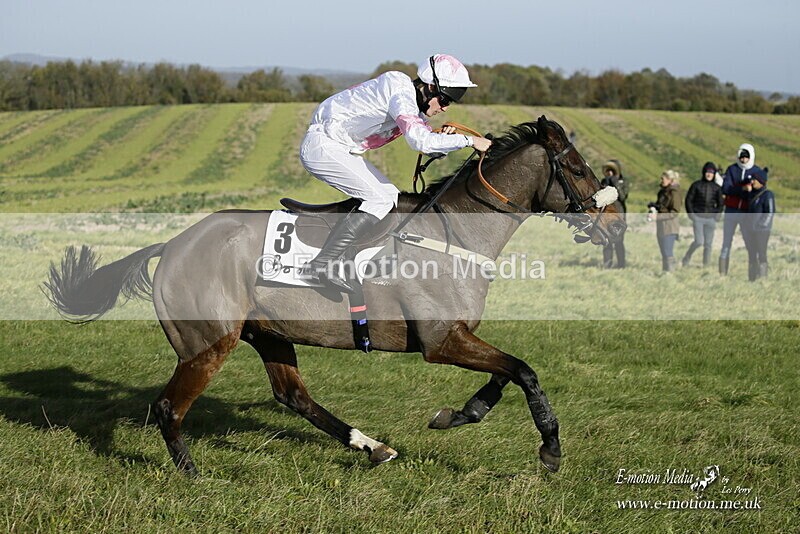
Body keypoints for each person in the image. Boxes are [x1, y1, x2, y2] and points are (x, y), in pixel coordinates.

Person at [297, 54, 492, 292]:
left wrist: (448, 138)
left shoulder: (410, 103)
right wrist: (470, 141)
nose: (444, 107)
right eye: (444, 99)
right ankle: (321, 265)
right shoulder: (400, 94)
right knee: (379, 199)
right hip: (323, 147)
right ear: (430, 88)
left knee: (390, 196)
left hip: (338, 148)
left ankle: (346, 258)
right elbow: (422, 143)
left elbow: (431, 147)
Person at [719, 143, 763, 275]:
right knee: (726, 243)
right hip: (731, 210)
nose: (743, 160)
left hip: (746, 212)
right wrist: (741, 189)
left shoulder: (756, 171)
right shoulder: (732, 170)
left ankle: (753, 273)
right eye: (741, 157)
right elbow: (726, 188)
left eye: (746, 157)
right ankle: (722, 273)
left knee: (750, 243)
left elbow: (759, 191)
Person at [682, 162, 724, 267]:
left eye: (711, 172)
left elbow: (721, 203)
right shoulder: (696, 185)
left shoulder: (717, 188)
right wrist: (691, 214)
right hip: (698, 218)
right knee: (699, 241)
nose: (709, 174)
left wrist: (717, 215)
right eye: (707, 172)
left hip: (711, 219)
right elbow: (688, 200)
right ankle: (687, 257)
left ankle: (706, 266)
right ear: (704, 173)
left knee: (708, 245)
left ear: (714, 174)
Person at [740, 168, 775, 281]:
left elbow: (770, 212)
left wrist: (761, 226)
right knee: (751, 253)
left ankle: (763, 277)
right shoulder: (751, 194)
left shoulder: (767, 195)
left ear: (761, 181)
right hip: (750, 229)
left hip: (762, 231)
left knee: (761, 253)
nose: (752, 182)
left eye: (755, 180)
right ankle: (752, 278)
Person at [648, 170, 682, 273]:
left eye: (663, 178)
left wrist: (657, 217)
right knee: (663, 252)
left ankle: (670, 274)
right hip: (661, 226)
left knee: (668, 252)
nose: (661, 180)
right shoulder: (662, 192)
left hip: (670, 227)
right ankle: (665, 273)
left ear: (670, 180)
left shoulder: (675, 193)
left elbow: (675, 212)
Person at [600, 159, 628, 268]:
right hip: (606, 216)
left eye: (612, 170)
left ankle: (621, 264)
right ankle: (607, 264)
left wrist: (615, 182)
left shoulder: (623, 182)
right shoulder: (604, 181)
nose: (609, 173)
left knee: (618, 241)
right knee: (606, 241)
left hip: (618, 216)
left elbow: (622, 197)